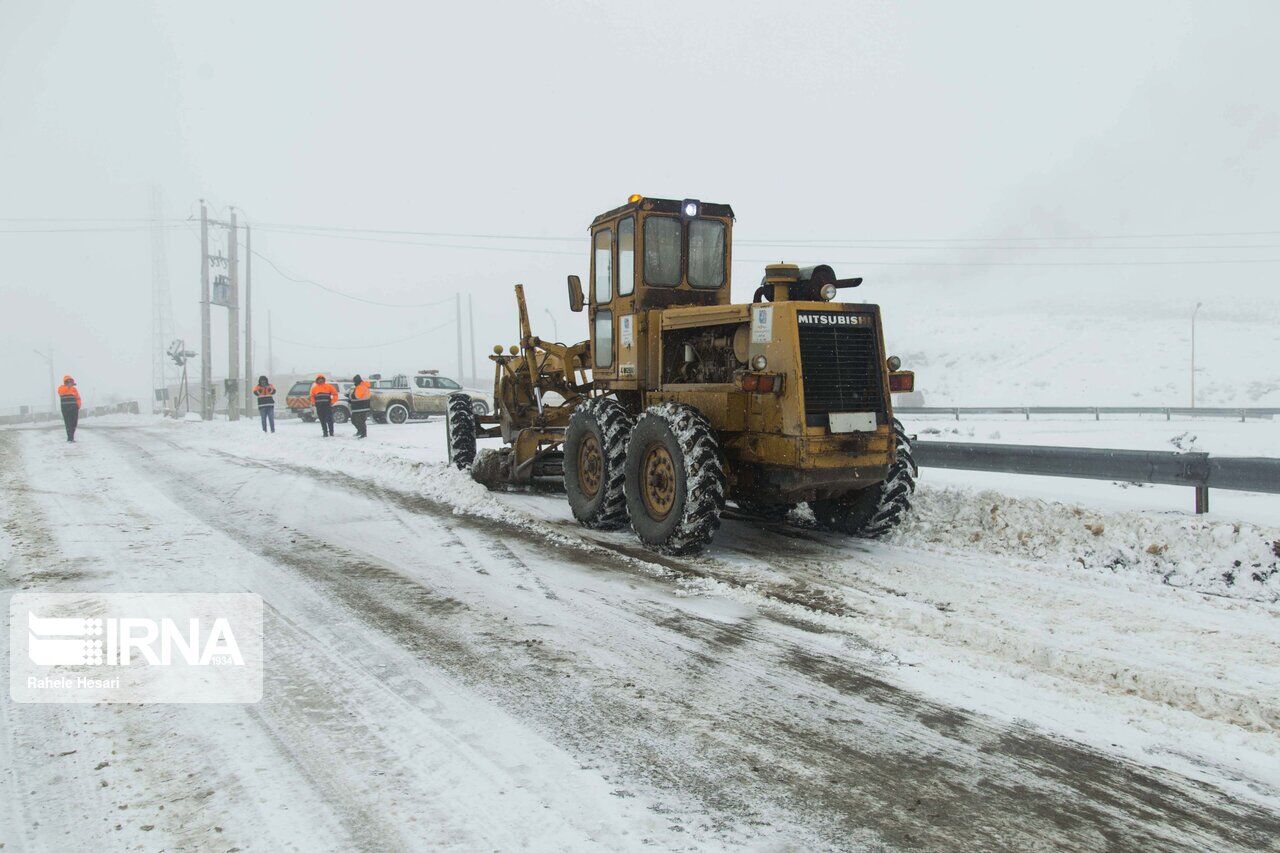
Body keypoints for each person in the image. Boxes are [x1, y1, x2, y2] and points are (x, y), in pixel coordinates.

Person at [56, 375, 82, 442]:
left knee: (74, 423)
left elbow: (78, 398)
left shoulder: (74, 389)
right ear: (65, 382)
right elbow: (61, 392)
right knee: (68, 423)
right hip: (65, 409)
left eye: (70, 381)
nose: (69, 382)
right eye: (68, 381)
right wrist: (68, 387)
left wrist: (78, 405)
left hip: (74, 408)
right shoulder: (61, 388)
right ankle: (70, 438)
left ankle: (71, 437)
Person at [347, 374, 372, 439]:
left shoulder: (361, 387)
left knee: (360, 421)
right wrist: (351, 399)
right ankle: (360, 431)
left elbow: (357, 396)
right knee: (354, 420)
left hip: (362, 407)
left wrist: (350, 396)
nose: (354, 382)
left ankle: (363, 434)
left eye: (355, 381)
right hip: (358, 407)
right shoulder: (358, 386)